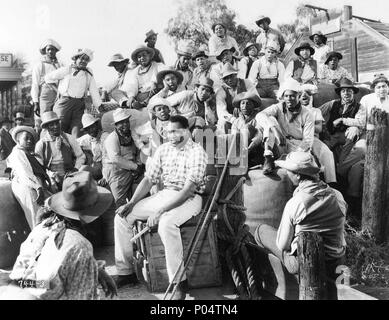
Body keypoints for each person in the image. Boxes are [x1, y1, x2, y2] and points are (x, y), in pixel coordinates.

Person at [114, 115, 208, 300]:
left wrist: (161, 211)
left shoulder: (197, 151)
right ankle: (126, 273)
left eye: (175, 131)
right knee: (122, 217)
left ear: (186, 131)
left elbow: (189, 189)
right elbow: (150, 179)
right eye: (167, 132)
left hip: (190, 198)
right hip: (166, 195)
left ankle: (179, 282)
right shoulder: (164, 149)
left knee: (166, 224)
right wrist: (132, 202)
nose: (170, 135)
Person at [1, 171, 116, 300]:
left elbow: (42, 281)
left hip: (17, 289)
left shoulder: (45, 226)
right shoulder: (80, 245)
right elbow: (82, 296)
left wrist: (94, 269)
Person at [254, 151, 346, 287]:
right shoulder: (338, 196)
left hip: (306, 264)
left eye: (288, 171)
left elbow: (282, 245)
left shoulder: (296, 202)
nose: (286, 173)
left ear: (297, 175)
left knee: (261, 231)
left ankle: (268, 282)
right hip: (335, 261)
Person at [334, 74, 389, 204]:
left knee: (359, 166)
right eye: (378, 87)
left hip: (385, 137)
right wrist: (356, 128)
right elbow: (361, 121)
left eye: (384, 86)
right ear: (373, 89)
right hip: (368, 133)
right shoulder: (367, 99)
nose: (382, 89)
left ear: (388, 88)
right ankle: (350, 195)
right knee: (360, 152)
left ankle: (341, 178)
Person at [259, 79, 315, 174]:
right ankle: (268, 157)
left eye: (293, 96)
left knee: (300, 166)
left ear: (299, 96)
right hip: (281, 142)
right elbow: (260, 115)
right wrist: (275, 129)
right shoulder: (278, 107)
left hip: (298, 145)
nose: (289, 99)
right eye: (286, 96)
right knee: (270, 119)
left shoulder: (307, 113)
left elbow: (308, 140)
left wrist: (294, 154)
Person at [45, 48, 102, 138]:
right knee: (59, 130)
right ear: (76, 59)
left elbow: (94, 90)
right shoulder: (67, 69)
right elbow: (48, 78)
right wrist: (57, 91)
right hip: (64, 104)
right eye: (82, 58)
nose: (84, 61)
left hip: (79, 106)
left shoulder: (89, 73)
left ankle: (76, 150)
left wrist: (99, 105)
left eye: (86, 60)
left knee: (77, 133)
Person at [8, 126, 51, 229]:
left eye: (31, 139)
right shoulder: (17, 153)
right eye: (26, 138)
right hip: (25, 184)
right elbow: (24, 173)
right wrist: (38, 187)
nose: (29, 141)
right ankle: (37, 235)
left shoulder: (29, 153)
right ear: (18, 140)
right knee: (36, 215)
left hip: (34, 183)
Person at [35, 111, 86, 192]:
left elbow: (81, 156)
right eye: (51, 125)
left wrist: (75, 169)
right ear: (47, 127)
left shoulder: (68, 138)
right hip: (50, 176)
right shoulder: (41, 144)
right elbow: (39, 166)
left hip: (69, 173)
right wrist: (51, 175)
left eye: (56, 123)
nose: (55, 126)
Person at [102, 108, 142, 209]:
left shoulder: (132, 133)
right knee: (120, 202)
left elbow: (139, 149)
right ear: (116, 125)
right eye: (121, 123)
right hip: (116, 171)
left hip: (132, 168)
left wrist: (138, 164)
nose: (125, 125)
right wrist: (135, 167)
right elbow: (115, 159)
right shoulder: (112, 138)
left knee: (138, 196)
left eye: (126, 122)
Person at [299, 84, 337, 184]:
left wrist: (306, 124)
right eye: (301, 94)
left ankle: (331, 182)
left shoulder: (315, 111)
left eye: (307, 94)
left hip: (314, 138)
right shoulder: (295, 111)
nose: (304, 96)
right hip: (298, 138)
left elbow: (319, 128)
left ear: (311, 97)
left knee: (327, 153)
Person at [319, 78, 361, 164]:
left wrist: (344, 121)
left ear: (353, 93)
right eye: (343, 91)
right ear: (340, 94)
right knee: (323, 152)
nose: (346, 93)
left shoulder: (359, 106)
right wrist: (323, 125)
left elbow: (360, 122)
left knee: (345, 157)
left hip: (346, 136)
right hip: (332, 135)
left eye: (349, 91)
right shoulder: (332, 103)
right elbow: (317, 112)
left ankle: (341, 169)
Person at [231, 90, 273, 168]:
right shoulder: (236, 122)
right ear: (239, 106)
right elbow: (234, 137)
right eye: (242, 103)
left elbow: (259, 136)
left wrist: (249, 149)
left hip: (255, 149)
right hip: (241, 150)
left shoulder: (258, 118)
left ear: (253, 106)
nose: (245, 106)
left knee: (248, 128)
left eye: (248, 103)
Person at [120, 45, 166, 113]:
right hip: (140, 95)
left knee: (155, 86)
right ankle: (134, 104)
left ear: (149, 56)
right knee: (120, 93)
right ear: (137, 60)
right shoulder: (135, 71)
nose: (142, 58)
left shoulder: (157, 66)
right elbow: (132, 85)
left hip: (154, 92)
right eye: (139, 57)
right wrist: (131, 96)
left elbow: (164, 76)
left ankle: (144, 104)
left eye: (144, 55)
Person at [31, 39, 62, 126]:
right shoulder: (40, 65)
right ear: (45, 51)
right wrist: (35, 102)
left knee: (58, 119)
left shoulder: (60, 65)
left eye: (53, 49)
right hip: (45, 95)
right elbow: (35, 85)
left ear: (56, 51)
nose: (50, 51)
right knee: (45, 119)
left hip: (58, 94)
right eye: (48, 49)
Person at [215, 63, 254, 133]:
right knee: (222, 123)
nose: (229, 79)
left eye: (231, 76)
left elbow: (255, 98)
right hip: (231, 118)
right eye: (226, 78)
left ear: (236, 75)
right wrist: (233, 120)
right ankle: (227, 142)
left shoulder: (247, 83)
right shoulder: (221, 91)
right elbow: (221, 112)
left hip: (247, 114)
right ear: (223, 80)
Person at [77, 114, 104, 181]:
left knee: (84, 169)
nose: (91, 130)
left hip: (104, 168)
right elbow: (75, 142)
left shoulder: (104, 137)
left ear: (96, 125)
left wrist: (105, 177)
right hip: (96, 166)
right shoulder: (89, 138)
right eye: (88, 129)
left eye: (92, 127)